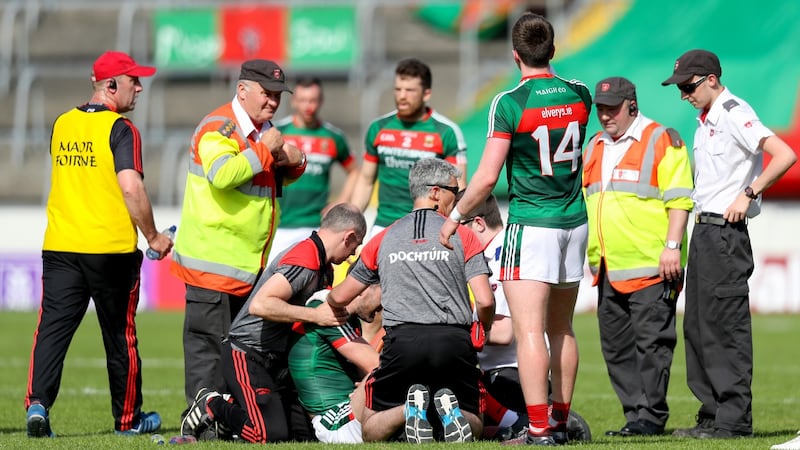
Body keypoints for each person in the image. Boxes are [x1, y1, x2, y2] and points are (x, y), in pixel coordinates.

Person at [439, 12, 591, 446]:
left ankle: (539, 428)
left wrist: (453, 218)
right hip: (573, 221)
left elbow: (486, 177)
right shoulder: (581, 94)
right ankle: (559, 423)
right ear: (554, 50)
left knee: (528, 331)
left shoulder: (508, 102)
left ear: (514, 54)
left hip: (533, 223)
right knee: (562, 329)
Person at [25, 50, 172, 437]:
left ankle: (37, 405)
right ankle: (128, 421)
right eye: (133, 81)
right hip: (109, 250)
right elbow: (129, 186)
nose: (139, 88)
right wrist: (154, 236)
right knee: (119, 337)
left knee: (52, 329)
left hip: (61, 245)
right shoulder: (122, 129)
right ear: (111, 85)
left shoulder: (62, 123)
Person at [662, 49, 797, 439]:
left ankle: (734, 420)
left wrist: (749, 193)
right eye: (680, 88)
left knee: (725, 327)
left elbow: (784, 154)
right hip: (704, 232)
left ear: (710, 80)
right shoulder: (705, 120)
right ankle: (712, 416)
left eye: (688, 86)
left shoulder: (735, 111)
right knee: (699, 327)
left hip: (725, 232)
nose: (683, 95)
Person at [170, 59, 306, 412]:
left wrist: (296, 159)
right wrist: (267, 150)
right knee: (209, 354)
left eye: (278, 95)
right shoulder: (220, 127)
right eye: (266, 94)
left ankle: (228, 420)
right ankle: (201, 422)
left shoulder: (262, 130)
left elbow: (275, 176)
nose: (273, 102)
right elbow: (222, 173)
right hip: (213, 264)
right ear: (242, 90)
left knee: (238, 352)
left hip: (244, 266)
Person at [327, 158, 495, 443]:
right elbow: (486, 301)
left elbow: (340, 295)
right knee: (476, 421)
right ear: (435, 193)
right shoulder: (463, 235)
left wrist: (330, 304)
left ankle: (409, 409)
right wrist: (484, 328)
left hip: (402, 343)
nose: (458, 200)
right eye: (455, 191)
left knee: (371, 430)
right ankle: (449, 413)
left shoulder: (384, 238)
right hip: (453, 341)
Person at [180, 203, 367, 443]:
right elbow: (261, 304)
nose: (353, 253)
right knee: (266, 434)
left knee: (304, 435)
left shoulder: (324, 267)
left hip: (277, 363)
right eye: (356, 245)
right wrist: (314, 315)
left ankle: (233, 417)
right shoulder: (305, 259)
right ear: (348, 236)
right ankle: (213, 403)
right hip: (247, 355)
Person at [582, 77, 694, 437]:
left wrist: (672, 247)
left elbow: (679, 199)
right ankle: (635, 416)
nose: (605, 115)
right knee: (614, 347)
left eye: (612, 108)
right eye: (600, 109)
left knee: (652, 346)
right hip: (608, 266)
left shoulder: (663, 140)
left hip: (652, 264)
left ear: (632, 104)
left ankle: (650, 415)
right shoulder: (594, 145)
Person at [459, 193, 591, 444]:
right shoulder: (491, 255)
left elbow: (505, 331)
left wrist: (455, 332)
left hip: (509, 375)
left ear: (478, 223)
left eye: (458, 227)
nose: (455, 236)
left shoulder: (501, 257)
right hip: (507, 372)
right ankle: (545, 418)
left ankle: (529, 422)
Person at [350, 57, 467, 237]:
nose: (402, 96)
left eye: (410, 90)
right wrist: (352, 223)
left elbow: (459, 188)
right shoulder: (378, 128)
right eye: (398, 89)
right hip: (384, 225)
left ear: (426, 94)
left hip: (428, 227)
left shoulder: (447, 132)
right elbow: (366, 181)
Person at [269, 77, 359, 264]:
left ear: (321, 101)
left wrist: (341, 201)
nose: (308, 106)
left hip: (316, 225)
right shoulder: (278, 132)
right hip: (280, 224)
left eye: (313, 100)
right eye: (302, 100)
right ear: (293, 101)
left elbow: (354, 171)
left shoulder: (333, 137)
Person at [286, 285, 382, 443]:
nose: (385, 304)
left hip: (347, 411)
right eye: (384, 291)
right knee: (399, 367)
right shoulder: (330, 314)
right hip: (334, 421)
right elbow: (378, 367)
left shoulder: (349, 319)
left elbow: (368, 372)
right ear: (364, 288)